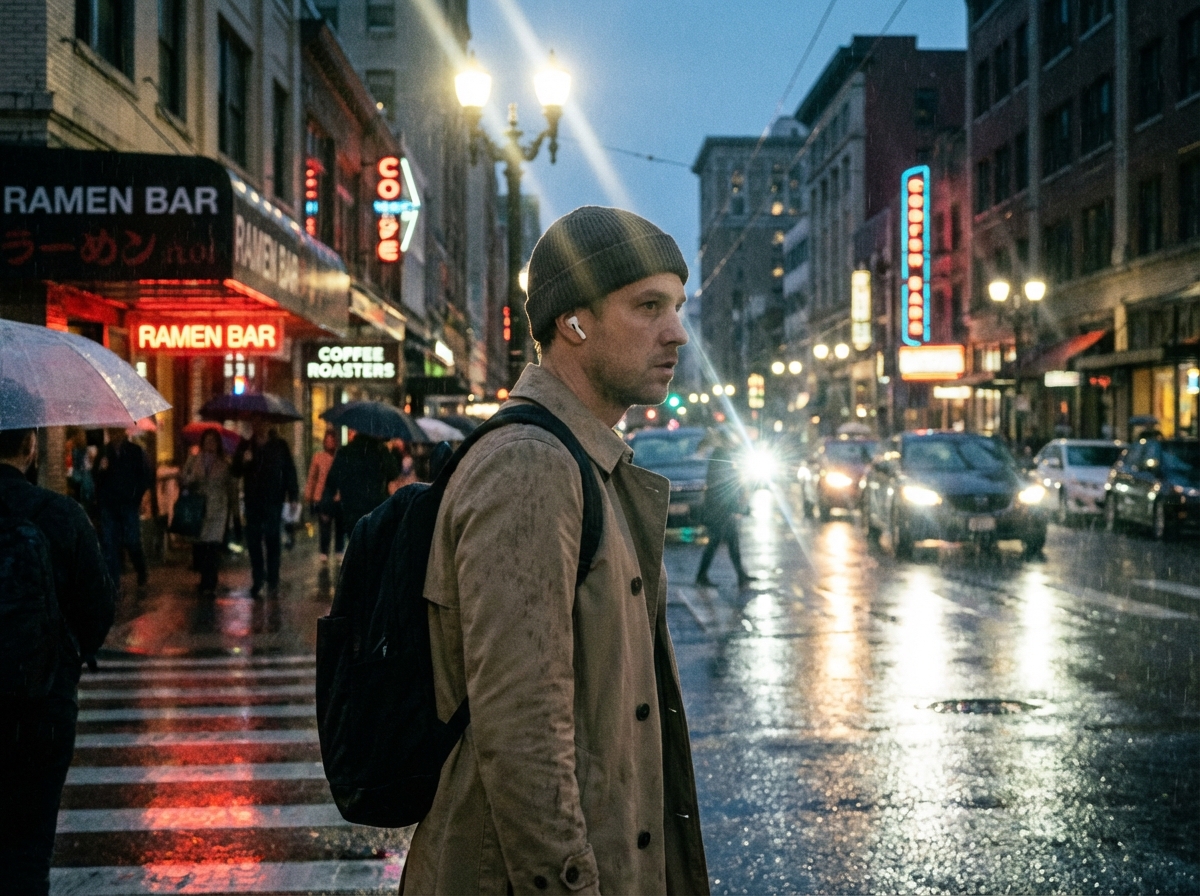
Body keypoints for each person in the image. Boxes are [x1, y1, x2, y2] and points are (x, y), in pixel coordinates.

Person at [403, 207, 708, 895]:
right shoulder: (531, 467)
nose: (677, 333)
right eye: (649, 306)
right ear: (573, 321)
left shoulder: (587, 463)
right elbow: (522, 737)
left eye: (678, 306)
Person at [0, 426, 116, 893]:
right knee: (29, 847)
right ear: (31, 446)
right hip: (42, 705)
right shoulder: (61, 515)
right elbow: (98, 609)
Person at [231, 421, 299, 597]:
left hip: (273, 499)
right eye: (256, 421)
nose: (259, 425)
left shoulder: (279, 445)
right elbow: (235, 471)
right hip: (252, 500)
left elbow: (289, 470)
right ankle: (258, 578)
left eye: (262, 421)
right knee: (253, 541)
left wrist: (293, 495)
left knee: (272, 539)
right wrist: (242, 459)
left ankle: (273, 579)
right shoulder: (246, 445)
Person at [93, 426, 151, 590]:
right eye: (111, 432)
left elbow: (144, 476)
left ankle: (141, 570)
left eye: (117, 432)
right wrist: (100, 469)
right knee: (110, 543)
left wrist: (138, 497)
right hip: (109, 504)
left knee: (132, 540)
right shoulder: (104, 452)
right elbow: (96, 478)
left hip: (128, 502)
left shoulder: (135, 451)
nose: (114, 435)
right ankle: (113, 582)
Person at [181, 429, 235, 594]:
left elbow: (231, 487)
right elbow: (184, 478)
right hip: (199, 509)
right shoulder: (194, 460)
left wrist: (233, 514)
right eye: (207, 440)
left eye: (213, 441)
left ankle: (210, 582)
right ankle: (205, 580)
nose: (210, 444)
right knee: (202, 547)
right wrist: (191, 480)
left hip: (218, 509)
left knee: (212, 547)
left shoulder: (224, 463)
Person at [319, 429, 400, 539]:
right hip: (376, 508)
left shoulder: (345, 452)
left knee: (356, 545)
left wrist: (326, 507)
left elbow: (332, 481)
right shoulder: (380, 451)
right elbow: (393, 473)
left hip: (351, 509)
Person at [695, 437, 752, 588]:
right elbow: (725, 486)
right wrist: (737, 507)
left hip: (719, 510)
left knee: (729, 542)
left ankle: (740, 575)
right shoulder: (721, 456)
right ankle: (703, 575)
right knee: (718, 542)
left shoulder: (720, 456)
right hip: (720, 511)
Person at [305, 431, 344, 562]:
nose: (329, 443)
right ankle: (324, 551)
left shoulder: (340, 457)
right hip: (322, 496)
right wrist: (309, 495)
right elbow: (312, 477)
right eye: (327, 440)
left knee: (340, 525)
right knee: (324, 525)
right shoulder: (318, 457)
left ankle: (339, 549)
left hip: (338, 496)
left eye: (332, 440)